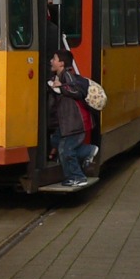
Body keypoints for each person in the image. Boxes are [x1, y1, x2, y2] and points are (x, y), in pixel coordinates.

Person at [47, 49, 97, 187]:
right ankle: (88, 152)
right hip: (66, 123)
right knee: (59, 144)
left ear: (61, 63)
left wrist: (61, 87)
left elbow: (76, 91)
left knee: (66, 150)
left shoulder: (67, 76)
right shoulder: (56, 77)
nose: (51, 61)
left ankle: (78, 176)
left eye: (54, 59)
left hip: (75, 123)